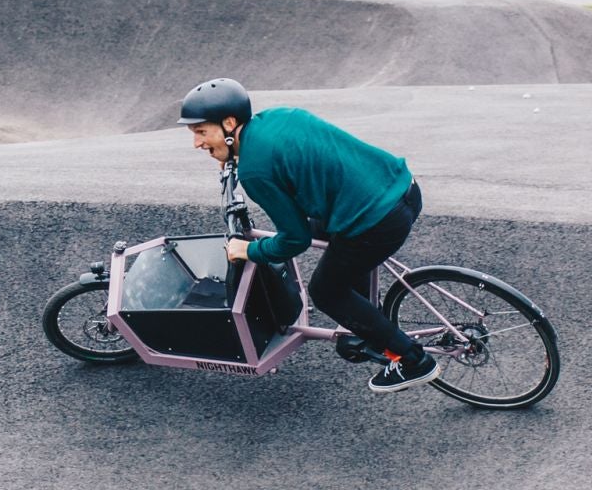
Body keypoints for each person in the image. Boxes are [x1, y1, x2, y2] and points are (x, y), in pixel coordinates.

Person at [177, 78, 443, 395]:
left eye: (201, 132)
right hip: (403, 188)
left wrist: (248, 251)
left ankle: (415, 361)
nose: (196, 143)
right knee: (333, 243)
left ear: (229, 124)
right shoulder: (277, 117)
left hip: (378, 220)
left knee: (326, 292)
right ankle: (364, 326)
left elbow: (294, 241)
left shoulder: (255, 171)